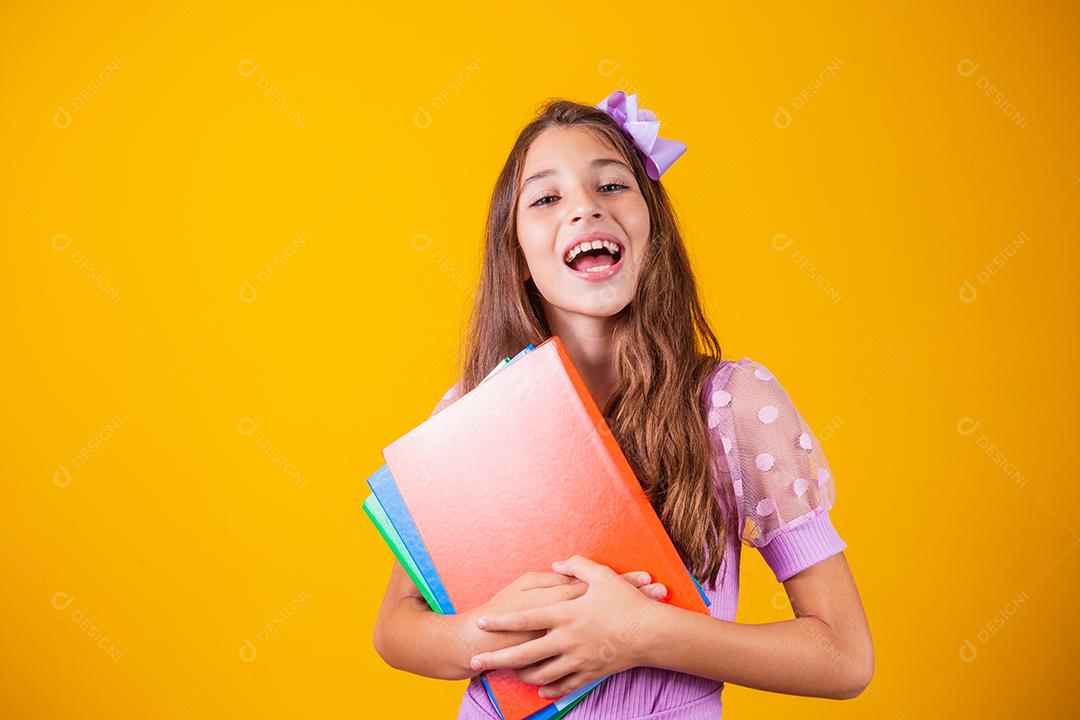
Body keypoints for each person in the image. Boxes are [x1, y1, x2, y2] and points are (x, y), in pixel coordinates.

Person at [373, 90, 873, 719]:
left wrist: (644, 633)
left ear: (651, 225)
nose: (584, 209)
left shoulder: (733, 407)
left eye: (611, 186)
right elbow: (396, 627)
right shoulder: (473, 411)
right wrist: (484, 634)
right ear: (517, 253)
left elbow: (844, 657)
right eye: (547, 198)